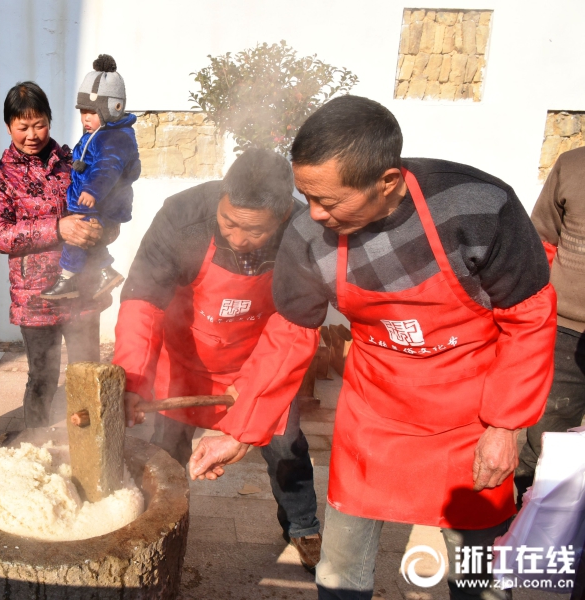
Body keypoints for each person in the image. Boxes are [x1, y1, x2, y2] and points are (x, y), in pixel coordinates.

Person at [189, 95, 557, 599]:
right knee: (341, 571)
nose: (314, 214)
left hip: (472, 415)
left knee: (479, 572)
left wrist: (506, 425)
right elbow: (292, 333)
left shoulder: (477, 207)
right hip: (375, 414)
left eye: (329, 201)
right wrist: (240, 429)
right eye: (306, 196)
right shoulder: (308, 235)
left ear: (387, 182)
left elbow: (529, 318)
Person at [114, 148, 323, 571]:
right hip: (183, 359)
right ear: (221, 199)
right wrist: (132, 381)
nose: (238, 238)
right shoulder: (183, 217)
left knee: (287, 446)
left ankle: (302, 526)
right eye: (228, 222)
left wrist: (252, 405)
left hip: (258, 366)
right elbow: (143, 302)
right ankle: (162, 524)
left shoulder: (304, 234)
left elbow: (293, 330)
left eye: (254, 230)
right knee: (166, 450)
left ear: (283, 214)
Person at [0, 81, 111, 428]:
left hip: (82, 290)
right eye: (22, 127)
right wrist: (57, 228)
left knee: (87, 372)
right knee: (42, 377)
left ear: (50, 121)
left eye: (39, 125)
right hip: (35, 298)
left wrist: (102, 228)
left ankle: (90, 442)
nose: (32, 135)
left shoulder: (73, 164)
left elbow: (103, 204)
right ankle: (35, 443)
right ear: (9, 126)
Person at [515, 146, 585, 506]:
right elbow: (542, 242)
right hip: (565, 331)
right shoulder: (573, 165)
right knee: (545, 443)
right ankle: (526, 525)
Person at [40, 55, 141, 301]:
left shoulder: (114, 138)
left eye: (93, 112)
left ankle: (67, 279)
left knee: (77, 236)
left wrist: (92, 190)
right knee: (89, 238)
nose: (86, 118)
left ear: (114, 108)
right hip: (94, 201)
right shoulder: (100, 133)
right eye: (83, 111)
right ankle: (105, 272)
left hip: (100, 201)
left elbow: (107, 168)